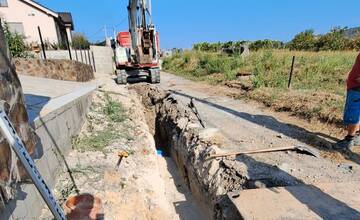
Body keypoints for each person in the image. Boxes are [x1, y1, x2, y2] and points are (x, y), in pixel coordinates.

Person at [335, 53, 360, 150]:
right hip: (355, 86)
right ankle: (356, 136)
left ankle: (349, 140)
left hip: (356, 88)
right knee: (357, 113)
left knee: (353, 113)